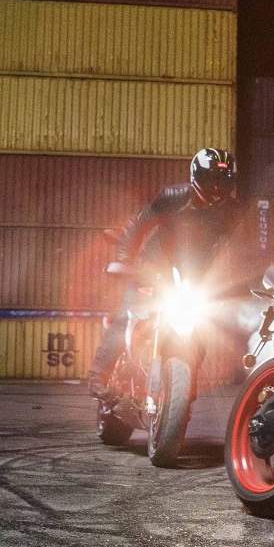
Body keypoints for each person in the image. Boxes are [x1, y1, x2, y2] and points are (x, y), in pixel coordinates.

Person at [88, 148, 239, 398]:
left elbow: (241, 248)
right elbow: (138, 225)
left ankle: (184, 387)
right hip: (152, 268)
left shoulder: (232, 210)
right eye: (211, 179)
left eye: (222, 181)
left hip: (194, 276)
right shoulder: (173, 197)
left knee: (198, 332)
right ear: (197, 177)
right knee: (128, 316)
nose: (216, 187)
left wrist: (241, 282)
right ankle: (98, 376)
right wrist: (126, 260)